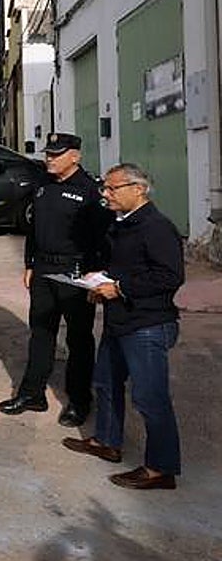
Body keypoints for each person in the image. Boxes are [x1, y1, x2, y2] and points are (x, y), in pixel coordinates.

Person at [61, 163, 184, 490]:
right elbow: (127, 266)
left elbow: (169, 276)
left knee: (150, 398)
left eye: (112, 188)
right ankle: (107, 441)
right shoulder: (122, 223)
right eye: (104, 188)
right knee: (105, 382)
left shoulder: (156, 227)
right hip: (120, 320)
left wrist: (119, 288)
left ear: (138, 189)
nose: (106, 194)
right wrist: (100, 280)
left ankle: (161, 469)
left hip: (147, 324)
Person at [0, 132, 113, 427]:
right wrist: (29, 263)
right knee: (41, 331)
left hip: (76, 271)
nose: (49, 159)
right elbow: (34, 229)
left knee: (78, 338)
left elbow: (103, 238)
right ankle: (32, 394)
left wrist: (96, 274)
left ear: (75, 156)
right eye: (48, 153)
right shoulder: (42, 184)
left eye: (56, 154)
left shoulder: (90, 191)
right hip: (44, 269)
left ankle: (79, 400)